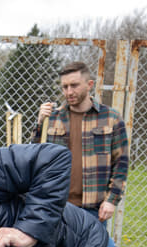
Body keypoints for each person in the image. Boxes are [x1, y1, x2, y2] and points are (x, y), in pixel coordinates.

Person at [34, 61, 128, 224]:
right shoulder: (52, 118)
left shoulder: (110, 117)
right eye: (65, 87)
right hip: (56, 206)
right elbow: (34, 156)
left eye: (74, 85)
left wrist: (111, 200)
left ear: (89, 84)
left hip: (93, 209)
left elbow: (121, 163)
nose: (69, 92)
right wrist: (40, 123)